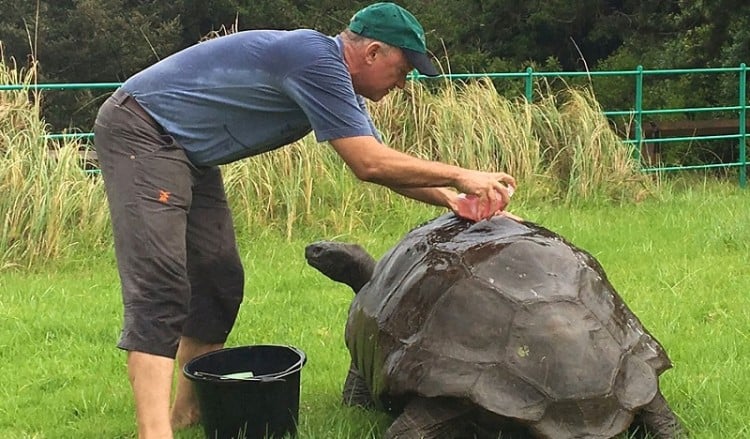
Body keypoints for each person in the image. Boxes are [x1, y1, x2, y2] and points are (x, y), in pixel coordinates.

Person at [93, 2, 516, 438]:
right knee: (162, 284)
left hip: (191, 153)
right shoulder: (314, 60)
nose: (404, 82)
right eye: (403, 68)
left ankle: (186, 413)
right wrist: (462, 174)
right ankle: (154, 432)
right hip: (143, 130)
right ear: (372, 53)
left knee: (218, 277)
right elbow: (368, 163)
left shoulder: (336, 80)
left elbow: (386, 166)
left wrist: (451, 199)